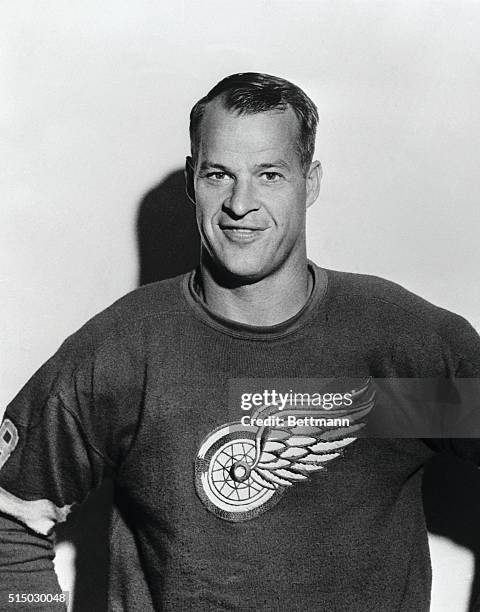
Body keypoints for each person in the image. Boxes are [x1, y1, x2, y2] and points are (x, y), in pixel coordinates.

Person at [1, 72, 479, 611]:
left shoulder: (395, 345)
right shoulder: (126, 350)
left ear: (310, 181)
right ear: (192, 180)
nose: (240, 203)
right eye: (218, 175)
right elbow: (9, 520)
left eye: (269, 174)